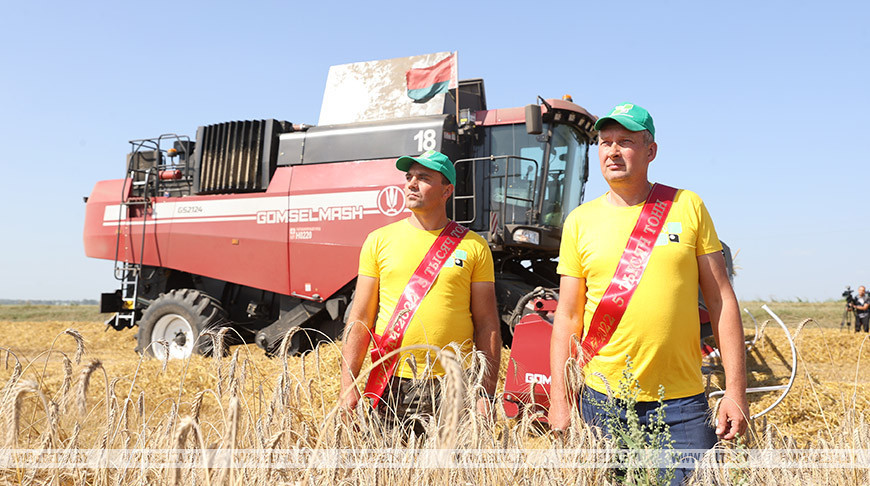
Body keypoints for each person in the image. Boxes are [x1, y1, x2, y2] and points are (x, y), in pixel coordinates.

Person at [547, 103, 748, 483]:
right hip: (601, 401)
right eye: (605, 143)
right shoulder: (579, 222)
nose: (612, 151)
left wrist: (735, 390)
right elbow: (568, 316)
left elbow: (721, 300)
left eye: (625, 141)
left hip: (682, 404)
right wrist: (560, 399)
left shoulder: (687, 206)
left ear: (650, 151)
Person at [339, 149, 501, 433]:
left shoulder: (474, 246)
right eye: (409, 177)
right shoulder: (378, 241)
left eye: (423, 178)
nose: (411, 184)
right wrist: (347, 386)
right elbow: (361, 317)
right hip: (391, 383)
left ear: (447, 190)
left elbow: (487, 322)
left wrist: (485, 392)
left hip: (454, 385)